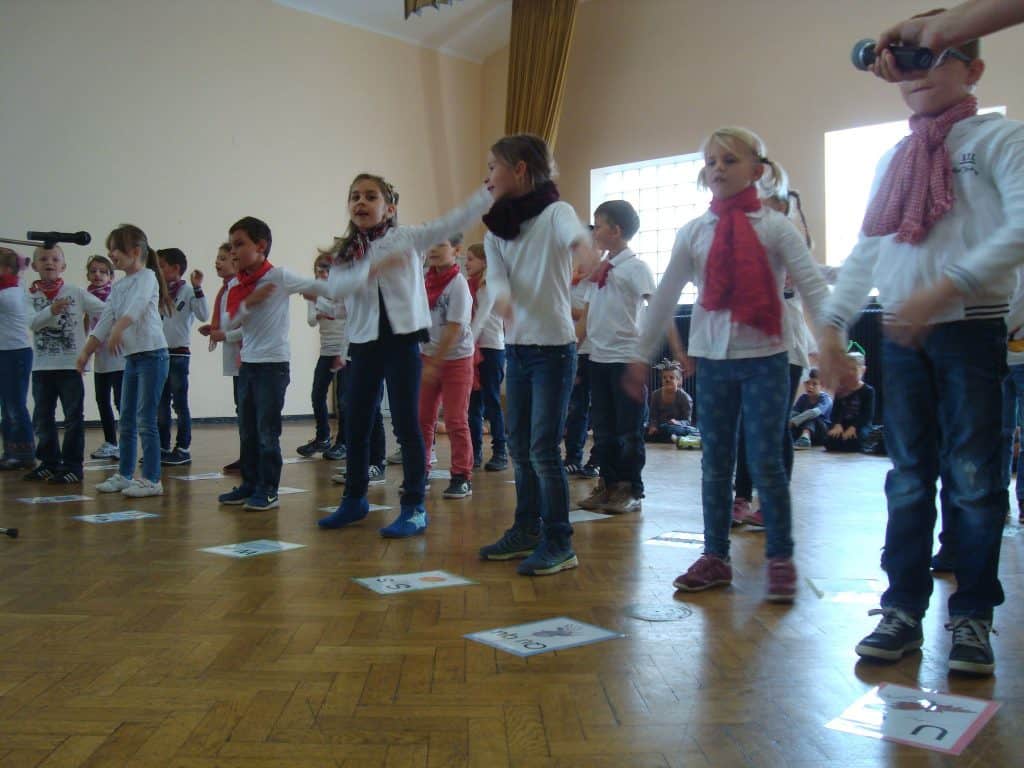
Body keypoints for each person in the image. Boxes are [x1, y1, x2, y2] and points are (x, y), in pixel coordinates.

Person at [819, 26, 1024, 675]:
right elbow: (868, 249)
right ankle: (902, 608)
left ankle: (970, 617)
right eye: (906, 60)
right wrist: (830, 325)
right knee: (908, 479)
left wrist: (948, 286)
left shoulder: (998, 139)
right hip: (902, 336)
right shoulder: (894, 159)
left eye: (936, 56)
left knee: (974, 480)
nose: (916, 70)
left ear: (975, 69)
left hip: (969, 328)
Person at [632, 126, 829, 602]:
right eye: (712, 161)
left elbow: (813, 288)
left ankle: (780, 558)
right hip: (714, 363)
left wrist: (833, 345)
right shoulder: (694, 232)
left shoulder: (776, 227)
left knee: (766, 461)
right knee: (715, 465)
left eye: (730, 160)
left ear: (757, 171)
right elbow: (665, 297)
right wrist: (641, 354)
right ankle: (715, 556)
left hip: (765, 360)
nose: (718, 168)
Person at [315, 173, 492, 537]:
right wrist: (365, 270)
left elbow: (453, 220)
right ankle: (354, 500)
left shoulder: (407, 238)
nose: (360, 203)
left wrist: (489, 191)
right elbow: (334, 292)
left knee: (408, 424)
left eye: (370, 197)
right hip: (363, 344)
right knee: (357, 423)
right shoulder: (346, 252)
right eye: (354, 197)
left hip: (403, 342)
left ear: (389, 208)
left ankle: (413, 506)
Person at [478, 133, 599, 576]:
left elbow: (573, 236)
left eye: (494, 167)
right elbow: (496, 279)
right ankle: (525, 530)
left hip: (553, 350)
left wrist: (585, 248)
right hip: (518, 350)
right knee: (520, 448)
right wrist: (504, 297)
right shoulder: (497, 231)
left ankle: (559, 541)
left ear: (521, 169)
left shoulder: (555, 213)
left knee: (544, 449)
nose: (487, 176)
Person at [217, 217, 335, 511]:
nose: (233, 252)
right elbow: (231, 321)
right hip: (248, 365)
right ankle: (249, 484)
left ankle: (268, 490)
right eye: (231, 246)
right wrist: (251, 301)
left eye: (239, 244)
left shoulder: (279, 276)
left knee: (267, 431)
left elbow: (316, 287)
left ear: (261, 246)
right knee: (247, 430)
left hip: (273, 366)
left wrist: (326, 299)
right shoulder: (237, 285)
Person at [77, 224, 172, 498]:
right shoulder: (118, 287)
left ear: (135, 251)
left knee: (145, 419)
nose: (111, 255)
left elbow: (139, 305)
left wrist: (120, 328)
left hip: (154, 355)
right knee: (127, 418)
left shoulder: (148, 277)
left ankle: (152, 479)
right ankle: (125, 474)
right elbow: (104, 321)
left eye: (115, 250)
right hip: (132, 359)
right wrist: (86, 351)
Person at [576, 199, 655, 515]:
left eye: (599, 224)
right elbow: (587, 313)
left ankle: (630, 488)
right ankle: (607, 484)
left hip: (626, 359)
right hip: (599, 358)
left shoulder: (636, 268)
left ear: (616, 230)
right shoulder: (600, 270)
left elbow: (656, 308)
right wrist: (574, 348)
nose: (594, 231)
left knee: (628, 430)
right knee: (603, 427)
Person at [25, 245, 106, 484]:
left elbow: (104, 310)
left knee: (73, 418)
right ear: (34, 266)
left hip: (70, 367)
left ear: (63, 266)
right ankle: (49, 463)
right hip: (42, 368)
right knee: (43, 417)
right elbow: (32, 323)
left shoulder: (75, 292)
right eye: (43, 259)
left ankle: (72, 466)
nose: (49, 263)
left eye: (55, 259)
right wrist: (52, 309)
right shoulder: (30, 296)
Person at [419, 234, 476, 499]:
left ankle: (461, 476)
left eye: (440, 244)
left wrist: (436, 362)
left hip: (456, 359)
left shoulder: (458, 285)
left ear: (456, 250)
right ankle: (421, 470)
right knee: (423, 418)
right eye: (431, 244)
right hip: (427, 356)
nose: (433, 249)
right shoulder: (424, 281)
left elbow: (454, 328)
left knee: (455, 419)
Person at [875, 0, 1024, 80]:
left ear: (972, 71)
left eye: (942, 58)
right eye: (905, 63)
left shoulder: (1010, 135)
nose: (922, 71)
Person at [156, 248, 208, 466]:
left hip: (178, 354)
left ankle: (183, 448)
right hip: (158, 353)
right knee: (160, 404)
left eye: (161, 266)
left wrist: (198, 288)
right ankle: (162, 447)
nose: (157, 270)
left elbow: (203, 314)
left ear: (176, 268)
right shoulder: (157, 291)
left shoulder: (187, 291)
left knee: (179, 403)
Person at [198, 242, 244, 473]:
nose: (217, 262)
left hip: (246, 357)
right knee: (241, 409)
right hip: (236, 357)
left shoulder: (238, 287)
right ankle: (246, 455)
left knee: (247, 410)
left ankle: (252, 457)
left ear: (236, 263)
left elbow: (247, 325)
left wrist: (223, 333)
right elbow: (229, 321)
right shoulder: (226, 289)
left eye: (223, 258)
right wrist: (214, 329)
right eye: (217, 258)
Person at [297, 255, 347, 458]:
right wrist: (317, 308)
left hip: (344, 349)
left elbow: (339, 313)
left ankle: (343, 442)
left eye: (326, 270)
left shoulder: (342, 290)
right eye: (318, 270)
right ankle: (323, 438)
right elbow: (311, 321)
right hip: (326, 350)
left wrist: (320, 303)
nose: (322, 274)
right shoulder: (315, 291)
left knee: (344, 399)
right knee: (317, 394)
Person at [465, 242, 508, 471]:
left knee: (491, 402)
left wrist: (466, 343)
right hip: (474, 348)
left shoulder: (489, 285)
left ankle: (500, 451)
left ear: (484, 261)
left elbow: (480, 319)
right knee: (473, 404)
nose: (466, 263)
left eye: (471, 258)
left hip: (491, 349)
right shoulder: (470, 285)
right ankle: (475, 451)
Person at [0, 247, 35, 470]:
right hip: (7, 352)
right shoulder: (11, 289)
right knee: (7, 404)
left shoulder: (8, 294)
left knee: (14, 405)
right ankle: (12, 450)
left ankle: (23, 453)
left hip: (15, 353)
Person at [823, 352, 875, 453]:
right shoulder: (841, 389)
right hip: (842, 425)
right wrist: (837, 424)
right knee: (829, 441)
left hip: (859, 425)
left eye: (854, 369)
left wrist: (854, 427)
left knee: (855, 442)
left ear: (863, 370)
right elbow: (835, 412)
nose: (850, 373)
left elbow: (867, 415)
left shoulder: (868, 391)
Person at [645, 362, 694, 444]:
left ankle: (662, 437)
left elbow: (687, 421)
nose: (667, 380)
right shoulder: (655, 394)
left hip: (674, 427)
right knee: (641, 429)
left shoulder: (684, 397)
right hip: (659, 427)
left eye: (671, 378)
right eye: (664, 377)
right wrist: (653, 426)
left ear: (678, 381)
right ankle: (663, 437)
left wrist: (677, 422)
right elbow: (653, 416)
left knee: (669, 429)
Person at [790, 369, 833, 448]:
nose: (810, 386)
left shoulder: (826, 399)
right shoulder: (803, 398)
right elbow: (794, 412)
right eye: (807, 383)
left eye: (814, 384)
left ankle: (805, 439)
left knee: (811, 416)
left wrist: (793, 421)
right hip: (804, 429)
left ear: (822, 385)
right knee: (794, 416)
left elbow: (814, 412)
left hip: (821, 432)